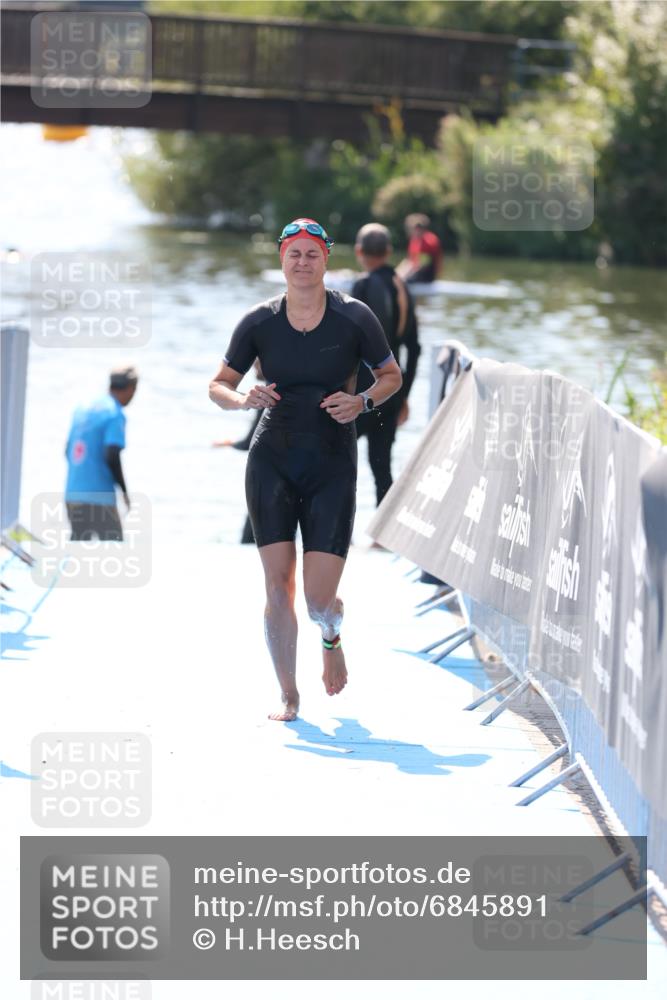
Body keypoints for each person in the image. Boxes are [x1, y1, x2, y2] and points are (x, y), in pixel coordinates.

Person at [209, 218, 402, 721]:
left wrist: (362, 401)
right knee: (278, 587)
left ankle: (331, 631)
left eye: (311, 254)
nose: (302, 262)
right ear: (282, 259)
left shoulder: (354, 317)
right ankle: (289, 694)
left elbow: (391, 375)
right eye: (293, 253)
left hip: (332, 463)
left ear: (326, 260)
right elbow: (218, 384)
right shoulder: (259, 321)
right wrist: (241, 399)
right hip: (271, 459)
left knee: (317, 600)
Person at [352, 223, 421, 508]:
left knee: (334, 461)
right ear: (389, 251)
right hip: (390, 393)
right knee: (382, 469)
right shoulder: (403, 288)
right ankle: (384, 530)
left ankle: (333, 528)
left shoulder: (362, 285)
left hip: (360, 395)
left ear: (359, 251)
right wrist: (403, 396)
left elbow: (350, 345)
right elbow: (414, 349)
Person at [64, 366, 138, 540]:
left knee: (79, 549)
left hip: (72, 494)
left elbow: (67, 451)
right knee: (115, 550)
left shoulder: (82, 408)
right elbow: (112, 455)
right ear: (130, 389)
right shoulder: (114, 414)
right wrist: (125, 493)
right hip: (99, 498)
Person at [398, 213, 443, 284]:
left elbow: (423, 264)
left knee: (402, 280)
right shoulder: (414, 240)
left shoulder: (430, 241)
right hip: (418, 271)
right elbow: (410, 260)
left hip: (426, 275)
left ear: (417, 228)